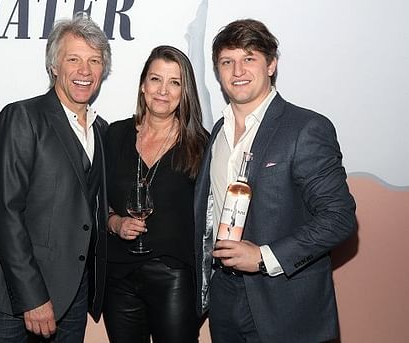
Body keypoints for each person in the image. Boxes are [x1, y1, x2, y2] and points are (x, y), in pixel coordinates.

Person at [194, 19, 357, 343]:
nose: (237, 70)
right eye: (227, 62)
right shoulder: (217, 134)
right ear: (218, 71)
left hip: (284, 302)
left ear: (271, 64)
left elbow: (339, 218)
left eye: (249, 58)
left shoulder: (305, 128)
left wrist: (264, 257)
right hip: (224, 295)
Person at [0, 13, 111, 342]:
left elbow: (90, 211)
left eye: (94, 60)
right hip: (15, 301)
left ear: (103, 71)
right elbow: (5, 214)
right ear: (54, 66)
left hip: (74, 299)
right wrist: (33, 298)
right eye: (73, 59)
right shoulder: (22, 117)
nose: (84, 71)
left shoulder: (103, 131)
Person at [103, 45, 208, 343]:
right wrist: (114, 223)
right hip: (119, 276)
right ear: (142, 85)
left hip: (173, 276)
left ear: (184, 91)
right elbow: (97, 201)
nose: (163, 90)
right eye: (155, 79)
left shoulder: (200, 145)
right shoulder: (115, 135)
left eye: (174, 82)